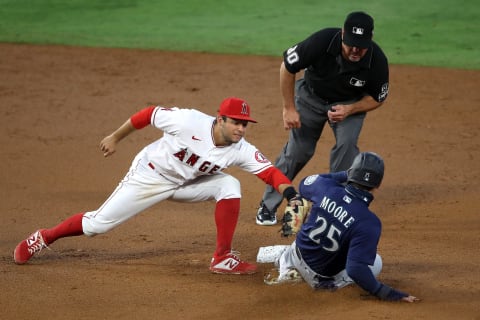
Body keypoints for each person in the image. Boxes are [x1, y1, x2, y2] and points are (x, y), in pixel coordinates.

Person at [13, 97, 303, 275]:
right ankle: (44, 237)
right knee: (96, 226)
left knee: (229, 185)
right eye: (236, 123)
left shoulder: (240, 148)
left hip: (188, 184)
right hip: (149, 177)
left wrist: (290, 195)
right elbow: (148, 114)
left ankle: (222, 258)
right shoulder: (188, 121)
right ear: (220, 119)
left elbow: (270, 173)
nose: (241, 129)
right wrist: (115, 137)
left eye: (245, 124)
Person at [256, 11, 390, 225]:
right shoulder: (323, 41)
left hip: (348, 105)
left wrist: (351, 109)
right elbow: (287, 67)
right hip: (311, 98)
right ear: (343, 33)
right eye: (351, 44)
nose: (355, 50)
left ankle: (336, 205)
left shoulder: (377, 60)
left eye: (361, 45)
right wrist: (289, 108)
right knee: (298, 151)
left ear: (370, 39)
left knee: (346, 147)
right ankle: (267, 205)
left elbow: (378, 98)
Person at [258, 152, 419, 302]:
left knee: (307, 237)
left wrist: (344, 174)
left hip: (298, 253)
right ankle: (311, 280)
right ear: (378, 185)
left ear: (351, 172)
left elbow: (304, 184)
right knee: (375, 262)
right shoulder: (369, 222)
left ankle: (284, 260)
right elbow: (356, 269)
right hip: (319, 278)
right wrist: (385, 293)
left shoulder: (326, 187)